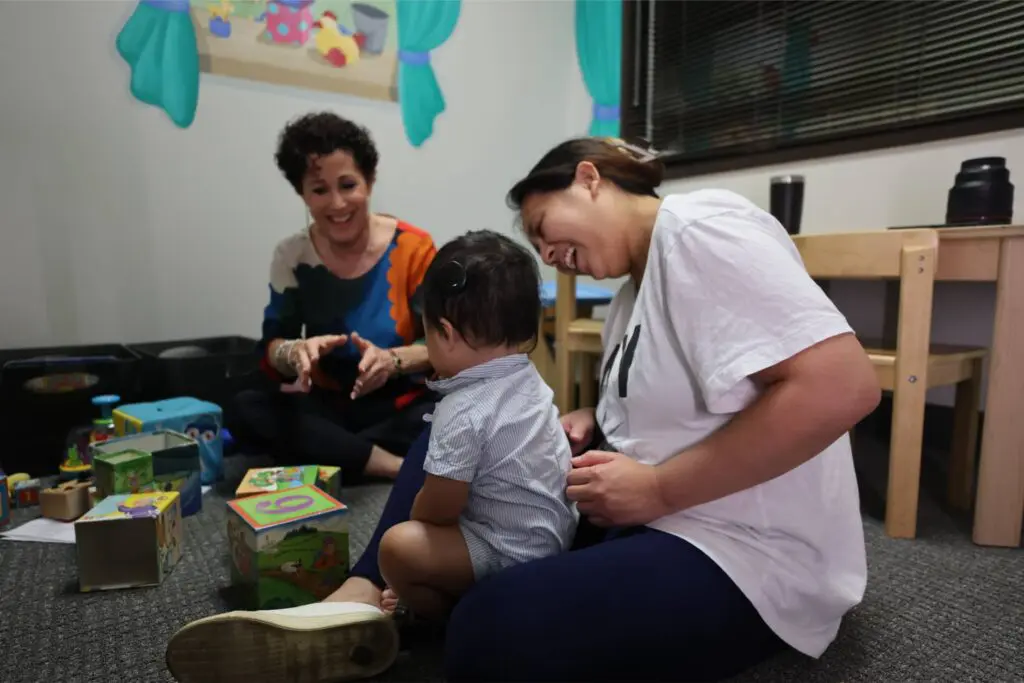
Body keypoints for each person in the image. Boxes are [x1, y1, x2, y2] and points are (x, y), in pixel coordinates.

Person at [166, 136, 880, 683]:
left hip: (744, 554)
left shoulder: (701, 231)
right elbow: (699, 394)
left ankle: (407, 603)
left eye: (545, 225)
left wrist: (658, 486)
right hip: (643, 511)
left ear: (589, 178)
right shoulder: (636, 287)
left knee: (486, 635)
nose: (548, 253)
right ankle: (357, 595)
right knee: (455, 415)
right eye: (538, 246)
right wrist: (595, 422)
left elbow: (843, 386)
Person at [377, 230, 578, 620]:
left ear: (446, 334)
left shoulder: (463, 409)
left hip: (509, 553)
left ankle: (445, 615)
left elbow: (440, 507)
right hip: (554, 540)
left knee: (397, 547)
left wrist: (417, 521)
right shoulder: (526, 375)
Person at [227, 112, 438, 481]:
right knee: (246, 407)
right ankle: (392, 465)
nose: (338, 204)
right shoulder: (292, 255)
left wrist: (392, 360)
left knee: (456, 409)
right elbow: (270, 350)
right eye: (320, 190)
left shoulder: (415, 247)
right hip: (329, 405)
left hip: (402, 404)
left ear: (369, 182)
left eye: (348, 185)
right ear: (302, 193)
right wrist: (294, 353)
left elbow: (442, 345)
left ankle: (337, 454)